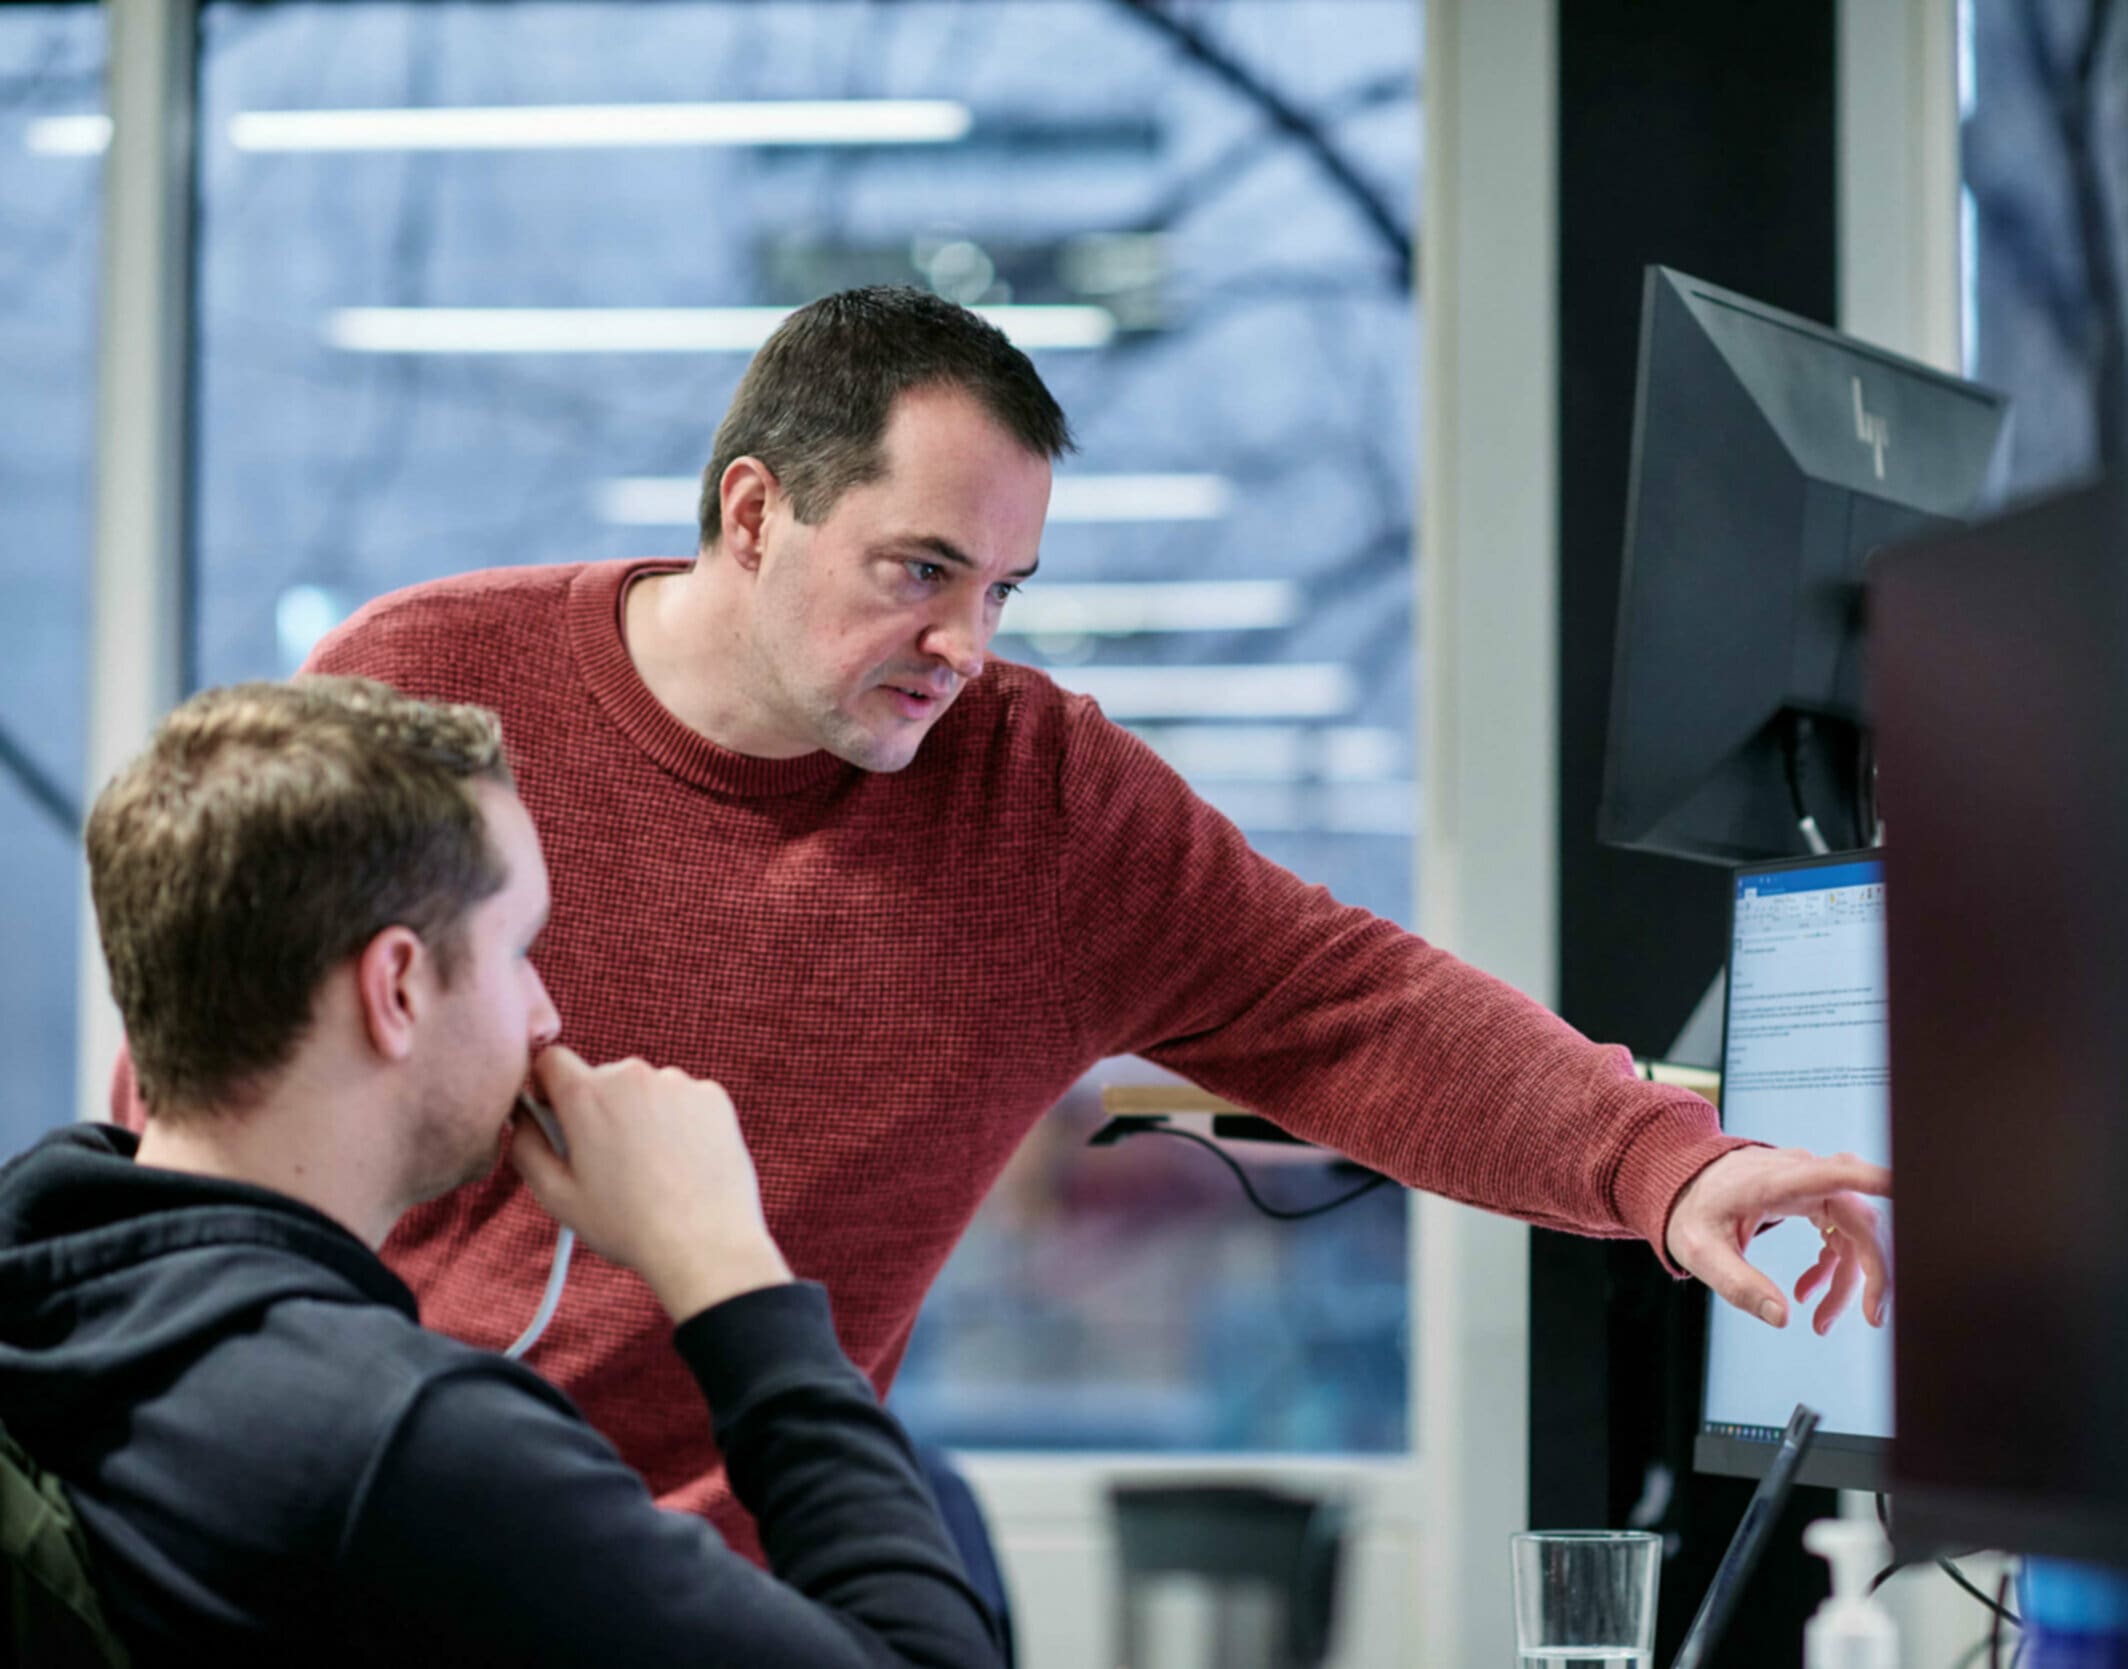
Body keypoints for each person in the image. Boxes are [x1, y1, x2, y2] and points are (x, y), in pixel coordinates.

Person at [123, 285, 1890, 1557]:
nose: (970, 644)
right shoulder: (434, 684)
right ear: (758, 509)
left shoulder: (1033, 799)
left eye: (1006, 588)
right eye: (921, 569)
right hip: (386, 1514)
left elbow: (1346, 1000)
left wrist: (1662, 1160)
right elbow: (203, 1085)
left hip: (733, 1568)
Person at [31, 678, 1002, 1665]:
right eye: (521, 950)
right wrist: (729, 1269)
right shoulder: (407, 1445)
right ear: (397, 987)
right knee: (944, 1513)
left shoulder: (52, 1284)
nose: (546, 1016)